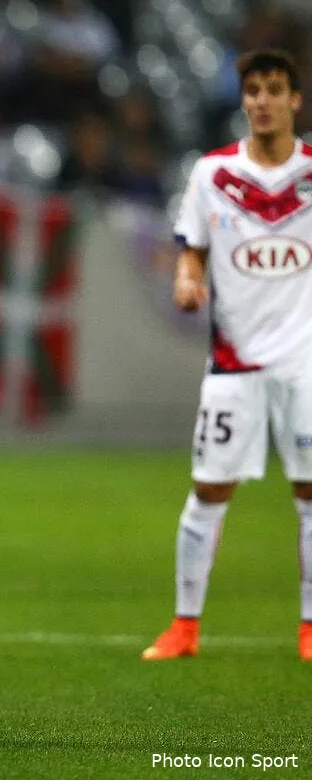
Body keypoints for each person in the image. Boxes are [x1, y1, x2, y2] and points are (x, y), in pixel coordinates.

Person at [142, 48, 312, 663]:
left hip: (304, 362)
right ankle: (184, 626)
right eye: (254, 90)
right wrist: (187, 279)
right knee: (209, 490)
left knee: (309, 494)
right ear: (244, 100)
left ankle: (310, 629)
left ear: (294, 99)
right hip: (234, 363)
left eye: (274, 89)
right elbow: (192, 249)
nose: (262, 100)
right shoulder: (213, 173)